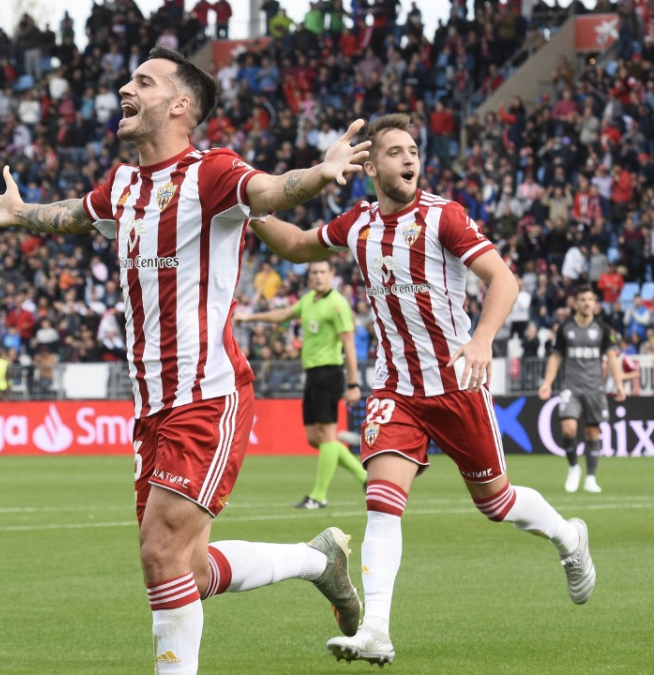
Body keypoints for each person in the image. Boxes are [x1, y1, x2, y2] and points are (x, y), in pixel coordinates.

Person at [0, 47, 369, 674]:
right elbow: (76, 215)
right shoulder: (122, 185)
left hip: (207, 394)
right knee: (186, 567)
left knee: (159, 554)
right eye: (129, 78)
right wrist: (20, 214)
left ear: (180, 105)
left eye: (143, 81)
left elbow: (269, 192)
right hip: (151, 408)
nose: (126, 88)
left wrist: (321, 173)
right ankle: (319, 562)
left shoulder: (212, 173)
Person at [249, 114, 595, 666]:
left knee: (498, 504)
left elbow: (503, 279)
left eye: (413, 150)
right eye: (394, 152)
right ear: (370, 166)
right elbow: (295, 245)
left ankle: (567, 537)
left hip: (457, 384)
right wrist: (250, 210)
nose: (409, 159)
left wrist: (482, 339)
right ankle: (377, 631)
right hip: (394, 390)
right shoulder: (356, 225)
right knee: (382, 504)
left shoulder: (443, 217)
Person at [235, 259, 366, 509]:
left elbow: (348, 344)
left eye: (322, 272)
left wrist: (353, 384)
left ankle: (318, 497)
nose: (317, 276)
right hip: (313, 375)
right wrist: (249, 318)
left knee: (326, 436)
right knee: (314, 438)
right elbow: (283, 314)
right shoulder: (309, 300)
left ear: (331, 275)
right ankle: (365, 477)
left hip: (329, 373)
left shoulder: (337, 304)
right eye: (314, 272)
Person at [537, 286, 626, 493]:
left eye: (591, 300)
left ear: (595, 304)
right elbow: (556, 357)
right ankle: (574, 467)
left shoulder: (604, 329)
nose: (588, 303)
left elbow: (612, 357)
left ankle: (591, 478)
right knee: (568, 429)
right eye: (583, 300)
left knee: (593, 433)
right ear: (575, 303)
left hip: (595, 388)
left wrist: (619, 384)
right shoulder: (566, 329)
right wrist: (547, 383)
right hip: (571, 387)